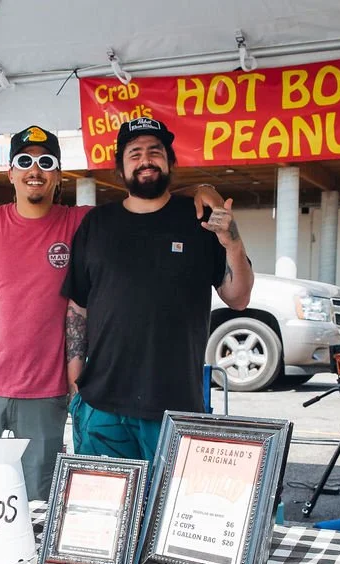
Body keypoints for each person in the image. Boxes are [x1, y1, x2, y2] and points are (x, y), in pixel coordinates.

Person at [0, 124, 226, 499]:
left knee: (39, 500)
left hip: (47, 392)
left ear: (59, 175)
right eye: (24, 162)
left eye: (46, 162)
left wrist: (200, 189)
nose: (35, 170)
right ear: (11, 173)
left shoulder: (80, 223)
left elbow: (145, 197)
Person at [63, 116, 253, 463]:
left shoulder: (200, 220)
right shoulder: (96, 224)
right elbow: (78, 307)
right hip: (101, 406)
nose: (145, 160)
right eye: (134, 154)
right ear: (120, 168)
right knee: (105, 498)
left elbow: (238, 298)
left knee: (168, 499)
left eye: (155, 151)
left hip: (174, 404)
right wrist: (76, 387)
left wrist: (233, 242)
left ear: (170, 161)